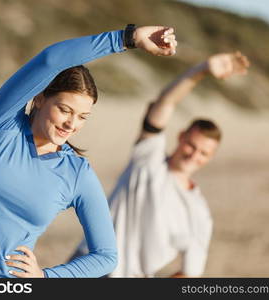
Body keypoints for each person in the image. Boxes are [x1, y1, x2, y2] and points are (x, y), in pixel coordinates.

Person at [0, 24, 177, 278]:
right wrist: (128, 38)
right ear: (39, 98)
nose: (72, 124)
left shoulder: (77, 174)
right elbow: (51, 60)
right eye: (65, 110)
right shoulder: (2, 125)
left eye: (83, 116)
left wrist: (48, 277)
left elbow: (106, 256)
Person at [72, 51, 250, 277]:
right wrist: (202, 70)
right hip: (86, 269)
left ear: (210, 158)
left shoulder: (199, 213)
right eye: (191, 146)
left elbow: (189, 273)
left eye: (203, 153)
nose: (194, 155)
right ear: (181, 136)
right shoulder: (148, 160)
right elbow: (165, 103)